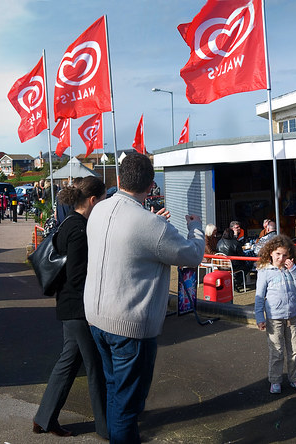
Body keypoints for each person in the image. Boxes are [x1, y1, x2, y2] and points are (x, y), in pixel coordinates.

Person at [84, 152, 205, 443]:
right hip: (129, 325)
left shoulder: (99, 209)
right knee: (128, 405)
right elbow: (192, 255)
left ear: (119, 179)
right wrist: (195, 229)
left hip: (96, 317)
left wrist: (153, 224)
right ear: (151, 186)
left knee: (114, 389)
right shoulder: (151, 225)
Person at [33, 177, 108, 439]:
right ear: (93, 200)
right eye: (104, 200)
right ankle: (106, 427)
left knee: (69, 362)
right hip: (78, 308)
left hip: (69, 305)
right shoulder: (78, 229)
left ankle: (44, 418)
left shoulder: (69, 223)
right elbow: (77, 276)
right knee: (95, 366)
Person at [253, 235, 296, 393]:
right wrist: (259, 317)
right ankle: (275, 380)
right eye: (278, 254)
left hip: (292, 316)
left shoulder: (290, 269)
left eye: (285, 255)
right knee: (276, 351)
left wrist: (293, 269)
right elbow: (259, 297)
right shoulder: (265, 272)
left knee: (294, 350)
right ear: (270, 252)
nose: (281, 258)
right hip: (274, 318)